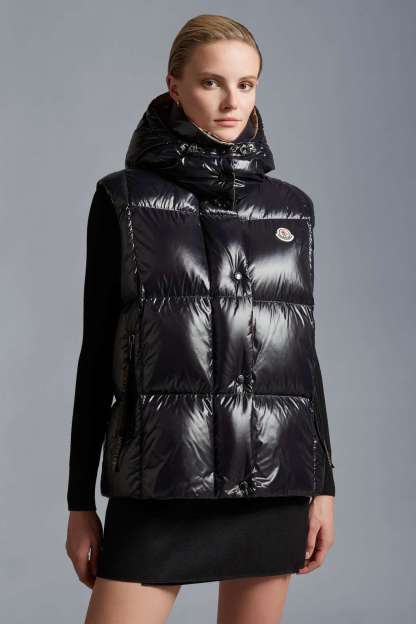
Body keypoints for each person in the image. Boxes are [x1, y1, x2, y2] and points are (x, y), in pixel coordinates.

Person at [65, 13, 336, 624]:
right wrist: (80, 502)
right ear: (174, 86)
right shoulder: (124, 201)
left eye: (246, 84)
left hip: (273, 481)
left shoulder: (292, 209)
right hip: (161, 480)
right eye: (211, 82)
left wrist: (323, 486)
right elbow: (95, 356)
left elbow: (303, 360)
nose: (231, 101)